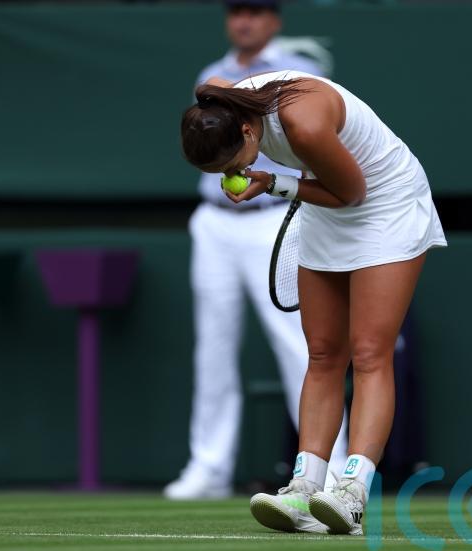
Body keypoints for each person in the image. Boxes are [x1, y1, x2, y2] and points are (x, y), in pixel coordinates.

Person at [179, 71, 447, 535]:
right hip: (328, 205)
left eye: (232, 164)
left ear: (248, 130)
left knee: (369, 353)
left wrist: (273, 183)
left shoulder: (302, 124)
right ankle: (303, 488)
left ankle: (353, 494)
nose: (230, 174)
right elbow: (215, 85)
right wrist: (271, 177)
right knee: (322, 353)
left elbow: (353, 193)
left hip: (385, 203)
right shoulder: (222, 103)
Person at [163, 0, 348, 501]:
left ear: (274, 20)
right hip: (215, 222)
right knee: (213, 348)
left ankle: (332, 473)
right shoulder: (210, 73)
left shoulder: (297, 71)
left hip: (274, 216)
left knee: (302, 345)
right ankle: (209, 468)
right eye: (237, 12)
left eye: (256, 11)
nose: (244, 21)